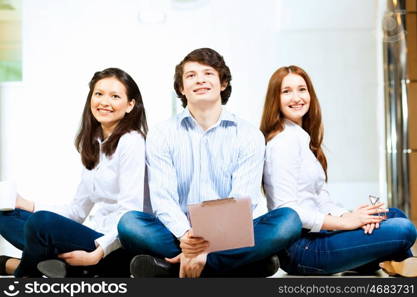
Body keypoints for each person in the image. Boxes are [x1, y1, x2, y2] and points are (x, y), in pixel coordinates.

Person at [117, 48, 302, 278]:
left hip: (231, 235)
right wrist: (187, 237)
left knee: (289, 220)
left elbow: (243, 199)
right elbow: (163, 199)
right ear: (181, 88)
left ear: (223, 83)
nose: (200, 80)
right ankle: (241, 266)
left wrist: (203, 248)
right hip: (178, 235)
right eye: (191, 75)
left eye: (208, 73)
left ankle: (179, 268)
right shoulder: (161, 134)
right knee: (129, 224)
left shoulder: (248, 134)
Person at [260, 65, 417, 276]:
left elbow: (320, 198)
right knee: (404, 229)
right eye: (286, 91)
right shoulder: (282, 143)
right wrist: (345, 223)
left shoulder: (302, 138)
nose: (296, 97)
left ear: (310, 94)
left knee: (393, 215)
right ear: (275, 99)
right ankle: (394, 261)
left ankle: (387, 262)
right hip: (302, 250)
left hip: (320, 234)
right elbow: (288, 212)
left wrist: (351, 216)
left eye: (301, 89)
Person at [0, 67, 149, 277]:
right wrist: (27, 204)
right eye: (99, 94)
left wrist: (97, 254)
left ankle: (23, 271)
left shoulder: (132, 141)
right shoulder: (96, 142)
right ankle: (63, 267)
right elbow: (77, 211)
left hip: (113, 246)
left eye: (115, 96)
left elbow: (130, 216)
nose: (104, 102)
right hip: (90, 235)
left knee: (40, 224)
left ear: (130, 105)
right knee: (6, 217)